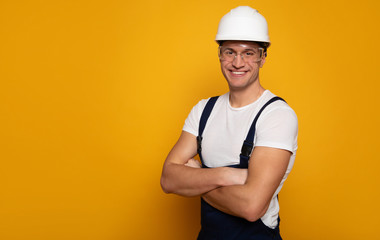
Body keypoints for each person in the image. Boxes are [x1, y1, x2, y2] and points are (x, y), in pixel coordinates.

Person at [160, 6, 298, 240]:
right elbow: (168, 179)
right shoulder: (204, 110)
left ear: (263, 57)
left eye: (248, 53)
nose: (237, 62)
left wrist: (198, 177)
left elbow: (251, 207)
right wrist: (229, 175)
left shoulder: (277, 115)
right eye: (230, 52)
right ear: (220, 55)